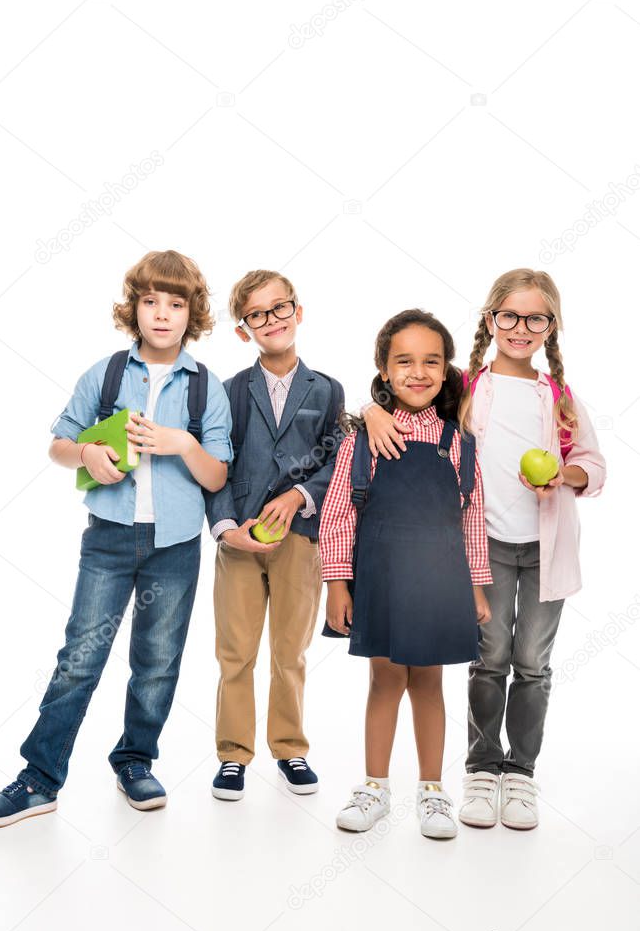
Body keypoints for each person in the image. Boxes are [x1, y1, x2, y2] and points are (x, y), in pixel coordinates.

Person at [0, 250, 233, 827]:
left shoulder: (205, 388)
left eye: (175, 303)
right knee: (79, 659)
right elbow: (58, 445)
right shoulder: (106, 374)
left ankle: (135, 761)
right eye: (150, 301)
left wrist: (182, 444)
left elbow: (218, 475)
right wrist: (87, 452)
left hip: (176, 545)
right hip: (108, 540)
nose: (162, 314)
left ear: (193, 314)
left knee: (158, 662)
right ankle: (40, 778)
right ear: (133, 308)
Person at [362, 270, 606, 830]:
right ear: (490, 320)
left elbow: (594, 466)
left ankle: (520, 773)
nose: (521, 328)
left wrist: (564, 475)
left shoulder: (560, 398)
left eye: (535, 318)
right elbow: (404, 386)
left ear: (551, 326)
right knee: (489, 658)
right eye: (510, 317)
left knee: (533, 665)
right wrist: (373, 410)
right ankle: (480, 767)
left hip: (546, 547)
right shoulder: (464, 386)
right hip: (482, 548)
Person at [320, 309, 492, 839]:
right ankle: (374, 786)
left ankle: (433, 792)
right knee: (384, 681)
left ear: (445, 371)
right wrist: (336, 584)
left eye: (430, 362)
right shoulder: (361, 438)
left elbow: (473, 518)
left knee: (430, 684)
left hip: (440, 582)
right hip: (382, 577)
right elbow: (338, 516)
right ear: (384, 368)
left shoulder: (459, 444)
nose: (418, 372)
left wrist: (477, 586)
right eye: (404, 361)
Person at [205, 270, 343, 801]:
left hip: (300, 539)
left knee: (291, 650)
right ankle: (233, 754)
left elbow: (336, 461)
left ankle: (290, 749)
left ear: (298, 311)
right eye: (257, 315)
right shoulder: (229, 391)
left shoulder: (327, 388)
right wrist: (225, 528)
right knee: (234, 652)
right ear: (244, 330)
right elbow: (216, 464)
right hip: (240, 539)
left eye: (279, 308)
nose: (271, 320)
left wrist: (298, 496)